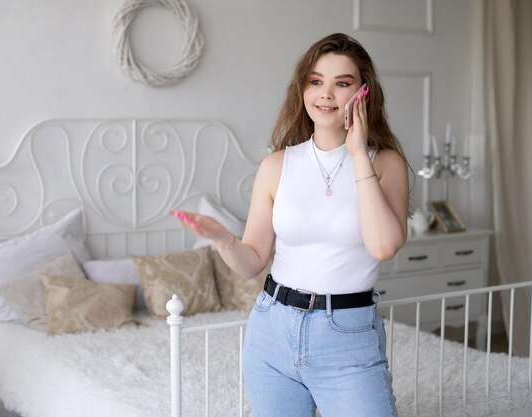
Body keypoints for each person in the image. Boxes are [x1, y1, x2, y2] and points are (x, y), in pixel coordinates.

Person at [172, 33, 409, 417]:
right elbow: (252, 262)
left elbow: (384, 246)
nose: (326, 94)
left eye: (342, 83)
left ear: (363, 93)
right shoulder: (276, 165)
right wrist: (222, 238)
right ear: (302, 89)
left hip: (346, 334)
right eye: (316, 81)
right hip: (272, 330)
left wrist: (357, 155)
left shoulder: (384, 164)